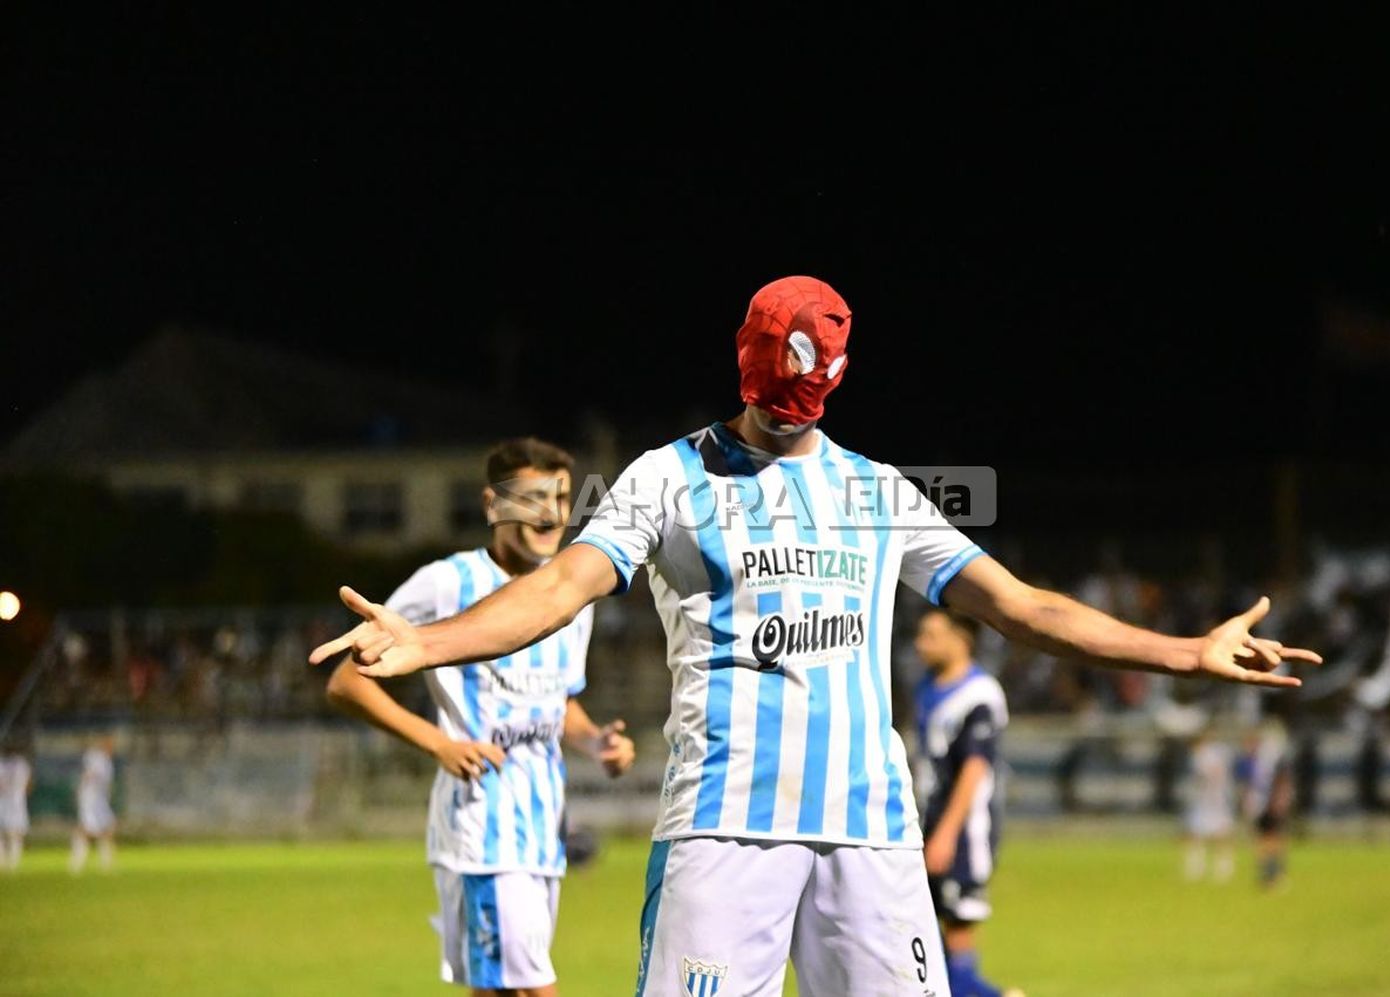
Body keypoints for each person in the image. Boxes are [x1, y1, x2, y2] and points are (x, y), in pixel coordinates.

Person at [311, 275, 1322, 996]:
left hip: (870, 832)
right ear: (747, 369)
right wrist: (431, 641)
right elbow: (564, 584)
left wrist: (1187, 651)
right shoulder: (666, 479)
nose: (790, 414)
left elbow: (1020, 604)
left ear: (834, 381)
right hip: (722, 825)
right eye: (776, 394)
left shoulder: (880, 492)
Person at [324, 437, 637, 997]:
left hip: (544, 829)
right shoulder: (448, 583)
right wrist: (438, 744)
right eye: (531, 497)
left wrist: (596, 742)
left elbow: (556, 700)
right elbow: (347, 682)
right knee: (530, 988)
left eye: (561, 497)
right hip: (482, 824)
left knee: (495, 989)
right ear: (493, 505)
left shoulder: (571, 596)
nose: (550, 513)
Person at [912, 607, 1022, 997]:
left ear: (962, 639)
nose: (920, 644)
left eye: (931, 635)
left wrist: (946, 833)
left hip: (964, 834)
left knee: (955, 940)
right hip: (926, 826)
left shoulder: (980, 694)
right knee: (918, 939)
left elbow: (975, 768)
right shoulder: (927, 685)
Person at [1239, 722, 1293, 891]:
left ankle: (1273, 872)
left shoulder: (1270, 758)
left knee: (1271, 838)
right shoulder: (1261, 758)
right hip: (1263, 802)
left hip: (1269, 802)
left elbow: (1281, 780)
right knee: (1267, 837)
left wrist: (1278, 800)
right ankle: (1271, 872)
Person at [1181, 730, 1236, 883]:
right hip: (1202, 800)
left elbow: (1216, 773)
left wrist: (1213, 788)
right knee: (1195, 833)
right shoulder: (1197, 756)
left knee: (1220, 834)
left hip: (1214, 800)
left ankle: (1223, 869)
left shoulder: (1209, 754)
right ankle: (1195, 868)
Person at [71, 733, 116, 874]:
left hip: (100, 800)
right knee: (86, 830)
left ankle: (106, 864)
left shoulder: (107, 762)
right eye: (110, 745)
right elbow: (89, 774)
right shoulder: (98, 759)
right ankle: (76, 863)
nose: (112, 748)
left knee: (108, 828)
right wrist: (80, 791)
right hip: (91, 799)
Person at [0, 741, 33, 871]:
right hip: (17, 802)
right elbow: (28, 785)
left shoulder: (2, 764)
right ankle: (13, 863)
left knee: (3, 833)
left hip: (3, 801)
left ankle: (3, 862)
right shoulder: (22, 764)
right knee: (16, 833)